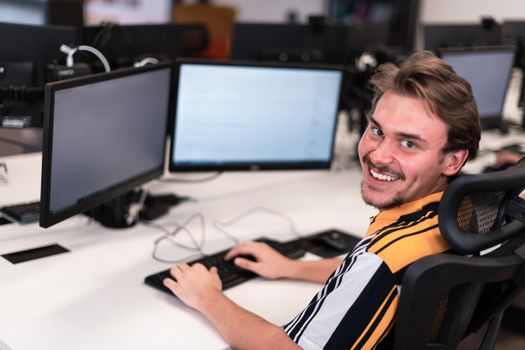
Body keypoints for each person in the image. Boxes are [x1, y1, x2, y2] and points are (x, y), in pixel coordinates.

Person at [162, 51, 481, 350]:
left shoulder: (382, 257)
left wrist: (207, 297)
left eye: (409, 144)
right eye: (377, 130)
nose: (378, 155)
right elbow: (371, 277)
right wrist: (290, 267)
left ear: (452, 160)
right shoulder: (458, 210)